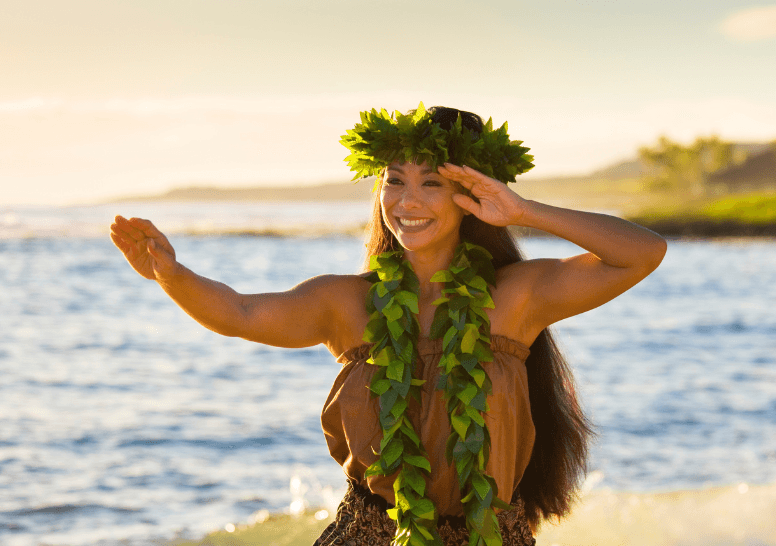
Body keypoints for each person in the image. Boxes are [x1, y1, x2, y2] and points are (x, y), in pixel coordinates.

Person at [110, 105, 667, 546]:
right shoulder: (345, 303)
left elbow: (642, 252)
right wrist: (170, 273)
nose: (407, 201)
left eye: (431, 183)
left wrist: (523, 211)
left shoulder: (514, 297)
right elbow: (239, 313)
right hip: (370, 536)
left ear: (471, 195)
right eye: (393, 181)